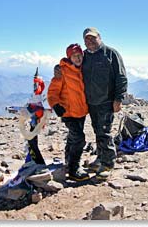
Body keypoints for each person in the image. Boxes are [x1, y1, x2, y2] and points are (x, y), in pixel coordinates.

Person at [55, 27, 128, 181]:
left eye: (93, 38)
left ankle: (107, 164)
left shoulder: (111, 54)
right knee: (97, 131)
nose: (90, 41)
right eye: (87, 39)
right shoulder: (85, 56)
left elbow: (121, 77)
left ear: (99, 37)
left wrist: (118, 99)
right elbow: (72, 64)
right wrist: (59, 68)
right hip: (90, 103)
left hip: (106, 102)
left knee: (104, 132)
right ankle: (100, 159)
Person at [47, 44, 90, 182]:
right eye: (74, 56)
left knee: (73, 137)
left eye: (79, 55)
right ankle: (73, 169)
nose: (78, 58)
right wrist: (55, 105)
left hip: (81, 111)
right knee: (79, 139)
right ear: (69, 57)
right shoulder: (63, 72)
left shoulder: (84, 69)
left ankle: (68, 161)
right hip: (68, 113)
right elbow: (53, 91)